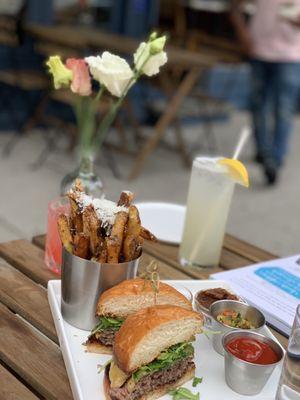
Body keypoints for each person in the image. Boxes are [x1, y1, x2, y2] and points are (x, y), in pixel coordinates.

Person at [230, 0, 300, 184]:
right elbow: (235, 6)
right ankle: (264, 151)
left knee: (283, 109)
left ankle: (275, 160)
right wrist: (242, 33)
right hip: (258, 50)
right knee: (258, 105)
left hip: (290, 55)